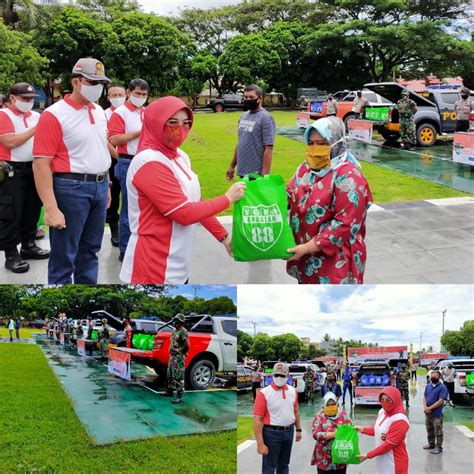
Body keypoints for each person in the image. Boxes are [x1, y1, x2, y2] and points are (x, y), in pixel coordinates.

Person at [119, 96, 245, 284]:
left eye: (186, 123)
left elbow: (196, 202)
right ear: (155, 123)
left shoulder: (180, 156)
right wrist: (227, 198)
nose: (180, 129)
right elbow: (184, 213)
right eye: (172, 122)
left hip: (178, 262)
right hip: (153, 266)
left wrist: (224, 237)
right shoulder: (148, 162)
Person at [33, 58, 112, 284]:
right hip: (70, 188)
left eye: (101, 82)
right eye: (92, 81)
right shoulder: (54, 114)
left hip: (99, 185)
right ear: (76, 82)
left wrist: (104, 184)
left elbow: (97, 148)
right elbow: (40, 164)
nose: (98, 87)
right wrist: (50, 208)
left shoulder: (98, 111)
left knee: (90, 250)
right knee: (64, 255)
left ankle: (87, 294)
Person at [286, 116, 373, 284]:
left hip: (336, 262)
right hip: (305, 258)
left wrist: (307, 248)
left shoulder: (349, 176)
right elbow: (290, 193)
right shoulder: (306, 167)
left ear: (336, 142)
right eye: (310, 143)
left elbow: (344, 225)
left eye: (321, 143)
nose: (314, 149)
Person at [0, 82, 50, 273]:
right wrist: (35, 129)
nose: (29, 102)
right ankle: (11, 254)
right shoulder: (4, 115)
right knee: (11, 213)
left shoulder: (36, 116)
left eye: (31, 99)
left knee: (32, 209)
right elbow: (9, 141)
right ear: (12, 98)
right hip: (12, 170)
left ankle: (29, 245)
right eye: (25, 98)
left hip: (34, 168)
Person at [108, 79, 149, 261]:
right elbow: (115, 139)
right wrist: (139, 132)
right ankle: (125, 249)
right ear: (129, 92)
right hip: (127, 161)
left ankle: (141, 244)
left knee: (145, 207)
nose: (140, 97)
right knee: (128, 208)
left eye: (144, 95)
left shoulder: (146, 112)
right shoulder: (121, 113)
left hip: (145, 161)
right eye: (137, 93)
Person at [253, 362, 302, 474]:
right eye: (277, 375)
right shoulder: (264, 393)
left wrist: (298, 430)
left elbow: (295, 412)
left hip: (289, 432)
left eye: (282, 376)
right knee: (269, 468)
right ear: (272, 376)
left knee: (284, 465)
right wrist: (260, 444)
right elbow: (257, 420)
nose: (279, 378)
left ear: (287, 376)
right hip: (271, 434)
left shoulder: (293, 391)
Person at [226, 84, 276, 180]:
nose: (248, 99)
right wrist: (232, 166)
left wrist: (264, 177)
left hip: (257, 174)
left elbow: (268, 149)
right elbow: (240, 144)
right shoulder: (243, 116)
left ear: (260, 98)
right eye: (246, 97)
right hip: (242, 171)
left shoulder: (266, 118)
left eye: (251, 97)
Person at [356, 387, 410, 473]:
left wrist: (368, 455)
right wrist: (362, 429)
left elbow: (388, 445)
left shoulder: (400, 419)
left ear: (395, 400)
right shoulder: (382, 412)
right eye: (382, 399)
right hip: (382, 460)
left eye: (388, 400)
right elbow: (376, 431)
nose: (384, 403)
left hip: (395, 463)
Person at [104, 84, 127, 248]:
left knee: (129, 195)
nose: (118, 97)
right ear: (108, 97)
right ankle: (114, 229)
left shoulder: (130, 113)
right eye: (114, 95)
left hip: (130, 158)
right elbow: (104, 140)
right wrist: (118, 156)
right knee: (113, 195)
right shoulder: (104, 115)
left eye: (121, 94)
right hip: (111, 160)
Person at [311, 392, 353, 473]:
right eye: (328, 405)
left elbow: (351, 429)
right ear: (324, 405)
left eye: (333, 404)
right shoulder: (319, 416)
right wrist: (333, 434)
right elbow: (316, 434)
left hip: (340, 457)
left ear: (337, 404)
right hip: (323, 457)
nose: (331, 407)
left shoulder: (343, 415)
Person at [161, 313, 189, 404]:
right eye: (174, 320)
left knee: (178, 375)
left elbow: (187, 345)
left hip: (179, 357)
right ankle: (169, 391)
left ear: (181, 322)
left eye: (176, 320)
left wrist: (181, 352)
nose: (174, 322)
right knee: (170, 374)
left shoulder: (183, 332)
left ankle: (179, 396)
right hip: (172, 356)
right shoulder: (174, 331)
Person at [423, 369, 449, 454]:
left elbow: (441, 401)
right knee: (429, 429)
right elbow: (424, 397)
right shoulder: (428, 386)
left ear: (439, 377)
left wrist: (430, 408)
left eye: (435, 375)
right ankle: (431, 444)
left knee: (438, 431)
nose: (433, 377)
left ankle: (439, 447)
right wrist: (425, 407)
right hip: (427, 413)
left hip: (436, 414)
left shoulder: (442, 387)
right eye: (432, 375)